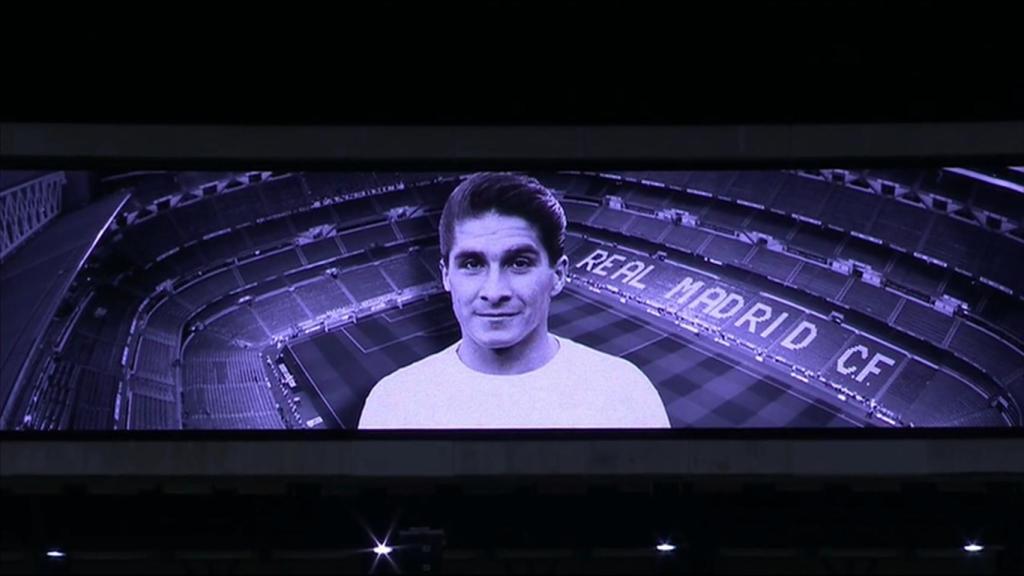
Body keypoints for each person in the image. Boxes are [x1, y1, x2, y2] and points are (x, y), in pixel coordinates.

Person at [358, 172, 670, 429]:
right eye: (472, 264)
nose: (494, 292)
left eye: (519, 263)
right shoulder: (392, 404)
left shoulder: (626, 392)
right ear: (445, 276)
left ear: (558, 275)